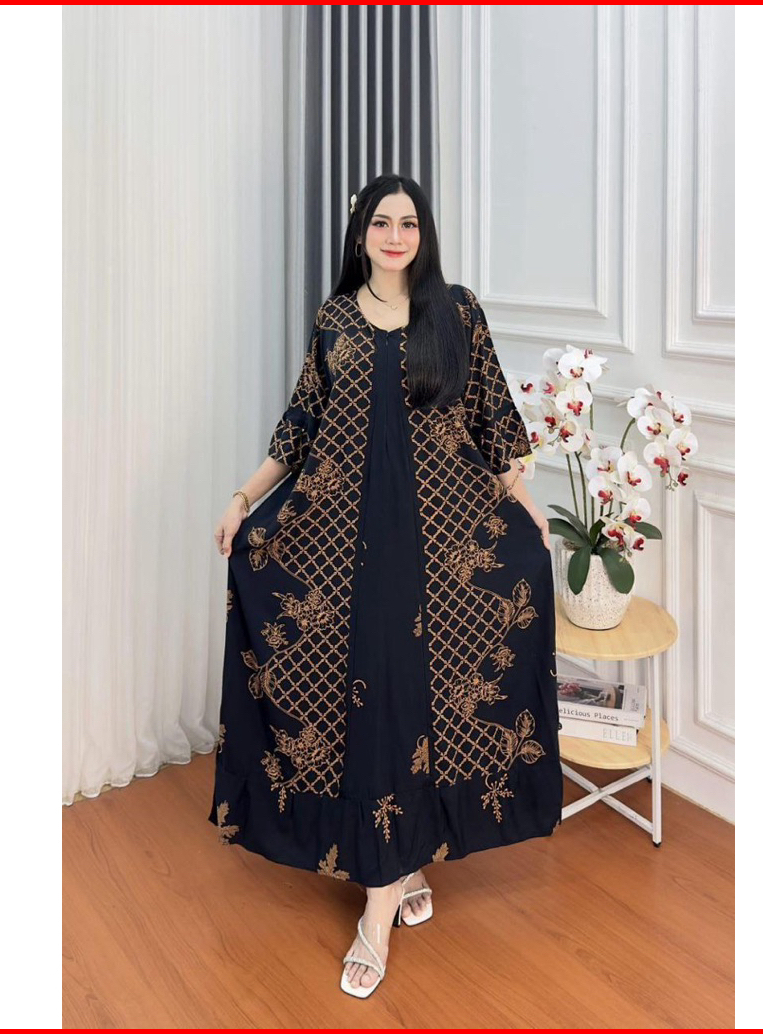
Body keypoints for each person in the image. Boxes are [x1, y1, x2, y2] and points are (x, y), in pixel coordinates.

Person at [210, 173, 563, 998]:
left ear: (423, 233)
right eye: (381, 223)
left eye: (408, 223)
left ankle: (387, 882)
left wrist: (526, 506)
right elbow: (301, 424)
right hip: (345, 544)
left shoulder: (457, 312)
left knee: (425, 699)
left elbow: (493, 420)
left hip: (443, 542)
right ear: (361, 233)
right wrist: (243, 499)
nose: (396, 236)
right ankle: (389, 878)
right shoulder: (335, 319)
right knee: (366, 701)